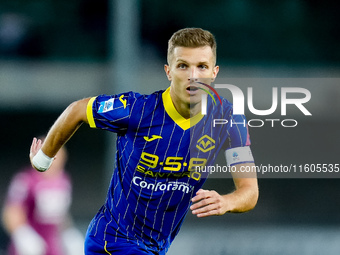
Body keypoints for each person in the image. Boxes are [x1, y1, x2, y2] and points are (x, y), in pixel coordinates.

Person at [29, 28, 259, 254]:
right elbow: (78, 110)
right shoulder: (138, 110)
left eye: (202, 66)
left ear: (214, 72)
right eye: (183, 66)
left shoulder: (229, 119)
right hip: (112, 241)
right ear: (168, 71)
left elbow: (249, 191)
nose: (193, 75)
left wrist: (227, 202)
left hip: (155, 248)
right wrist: (43, 159)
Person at [2, 144, 84, 255]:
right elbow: (12, 211)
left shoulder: (64, 180)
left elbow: (59, 214)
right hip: (31, 246)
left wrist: (68, 232)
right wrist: (22, 234)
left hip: (53, 246)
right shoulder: (26, 180)